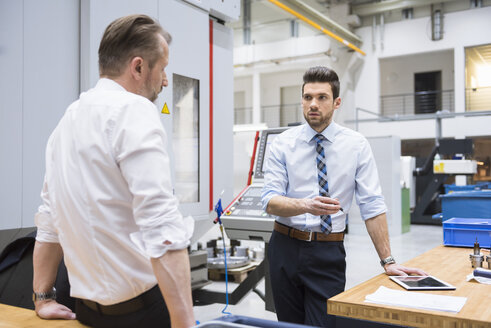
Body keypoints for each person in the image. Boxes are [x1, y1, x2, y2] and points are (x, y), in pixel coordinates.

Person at [32, 14, 195, 328]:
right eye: (162, 69)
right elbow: (161, 225)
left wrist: (43, 298)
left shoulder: (66, 122)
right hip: (143, 312)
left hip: (87, 314)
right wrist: (185, 323)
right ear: (137, 67)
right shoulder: (135, 112)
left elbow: (49, 221)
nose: (165, 81)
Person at [261, 66, 426, 327]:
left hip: (328, 251)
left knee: (324, 322)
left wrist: (388, 261)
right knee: (289, 324)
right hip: (285, 247)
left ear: (337, 102)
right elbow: (269, 201)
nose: (313, 104)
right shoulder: (283, 144)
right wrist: (307, 205)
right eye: (307, 97)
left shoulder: (356, 145)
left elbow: (372, 204)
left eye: (322, 97)